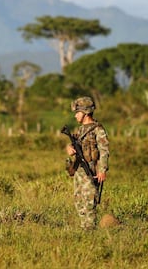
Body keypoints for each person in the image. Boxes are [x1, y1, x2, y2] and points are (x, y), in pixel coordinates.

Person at [65, 96, 109, 230]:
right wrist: (69, 148)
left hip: (91, 169)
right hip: (79, 170)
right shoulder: (80, 130)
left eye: (77, 113)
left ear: (85, 113)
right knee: (79, 200)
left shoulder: (98, 129)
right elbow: (74, 144)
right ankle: (84, 227)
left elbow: (104, 150)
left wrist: (102, 170)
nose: (75, 116)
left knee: (89, 200)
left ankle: (89, 230)